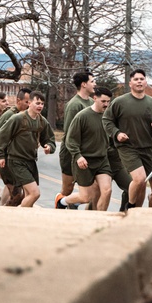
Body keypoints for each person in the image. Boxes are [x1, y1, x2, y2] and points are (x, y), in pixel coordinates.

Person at [103, 69, 152, 210]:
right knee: (139, 178)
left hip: (147, 147)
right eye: (136, 79)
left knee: (142, 184)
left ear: (146, 82)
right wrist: (117, 133)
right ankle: (130, 205)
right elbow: (107, 120)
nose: (139, 81)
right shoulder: (120, 102)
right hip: (127, 146)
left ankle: (136, 213)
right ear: (130, 83)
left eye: (142, 79)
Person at [0, 92, 55, 208]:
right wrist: (0, 156)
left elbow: (49, 139)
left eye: (42, 104)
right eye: (37, 103)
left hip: (30, 161)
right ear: (29, 103)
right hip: (16, 161)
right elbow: (1, 136)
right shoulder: (18, 118)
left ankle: (23, 219)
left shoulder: (42, 122)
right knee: (34, 193)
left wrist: (49, 147)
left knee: (28, 195)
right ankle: (17, 214)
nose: (40, 106)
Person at [59, 87, 115, 211]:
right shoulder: (82, 116)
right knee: (86, 197)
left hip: (102, 160)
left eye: (108, 101)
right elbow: (70, 140)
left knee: (107, 190)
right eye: (103, 101)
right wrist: (78, 156)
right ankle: (62, 201)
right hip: (84, 161)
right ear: (95, 98)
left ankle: (99, 219)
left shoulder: (109, 117)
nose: (106, 104)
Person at [59, 70, 97, 204]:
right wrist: (77, 154)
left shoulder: (93, 102)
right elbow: (69, 133)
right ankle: (60, 205)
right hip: (71, 153)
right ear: (83, 84)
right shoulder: (74, 105)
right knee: (68, 188)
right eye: (92, 81)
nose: (95, 84)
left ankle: (74, 206)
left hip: (88, 152)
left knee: (91, 191)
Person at [0, 88, 31, 206]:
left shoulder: (26, 115)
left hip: (18, 159)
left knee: (16, 191)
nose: (29, 105)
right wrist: (0, 155)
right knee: (16, 193)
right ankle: (5, 211)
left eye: (30, 102)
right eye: (26, 102)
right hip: (7, 159)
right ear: (18, 100)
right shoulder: (10, 115)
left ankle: (3, 208)